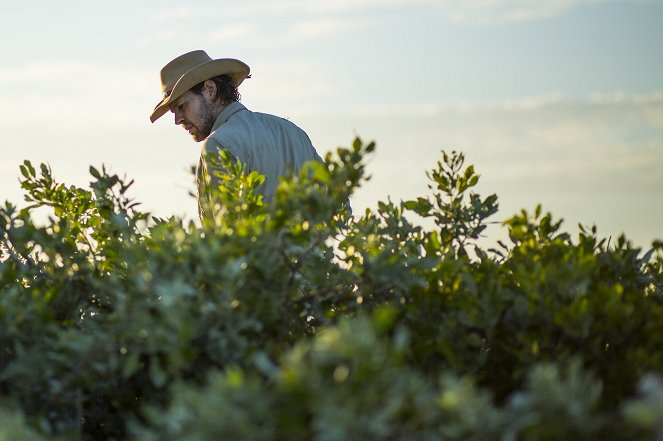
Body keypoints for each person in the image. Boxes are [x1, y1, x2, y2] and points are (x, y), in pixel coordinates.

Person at [150, 50, 324, 220]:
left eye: (181, 106)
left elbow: (226, 236)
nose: (177, 120)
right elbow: (337, 202)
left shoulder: (217, 144)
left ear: (210, 90)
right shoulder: (293, 132)